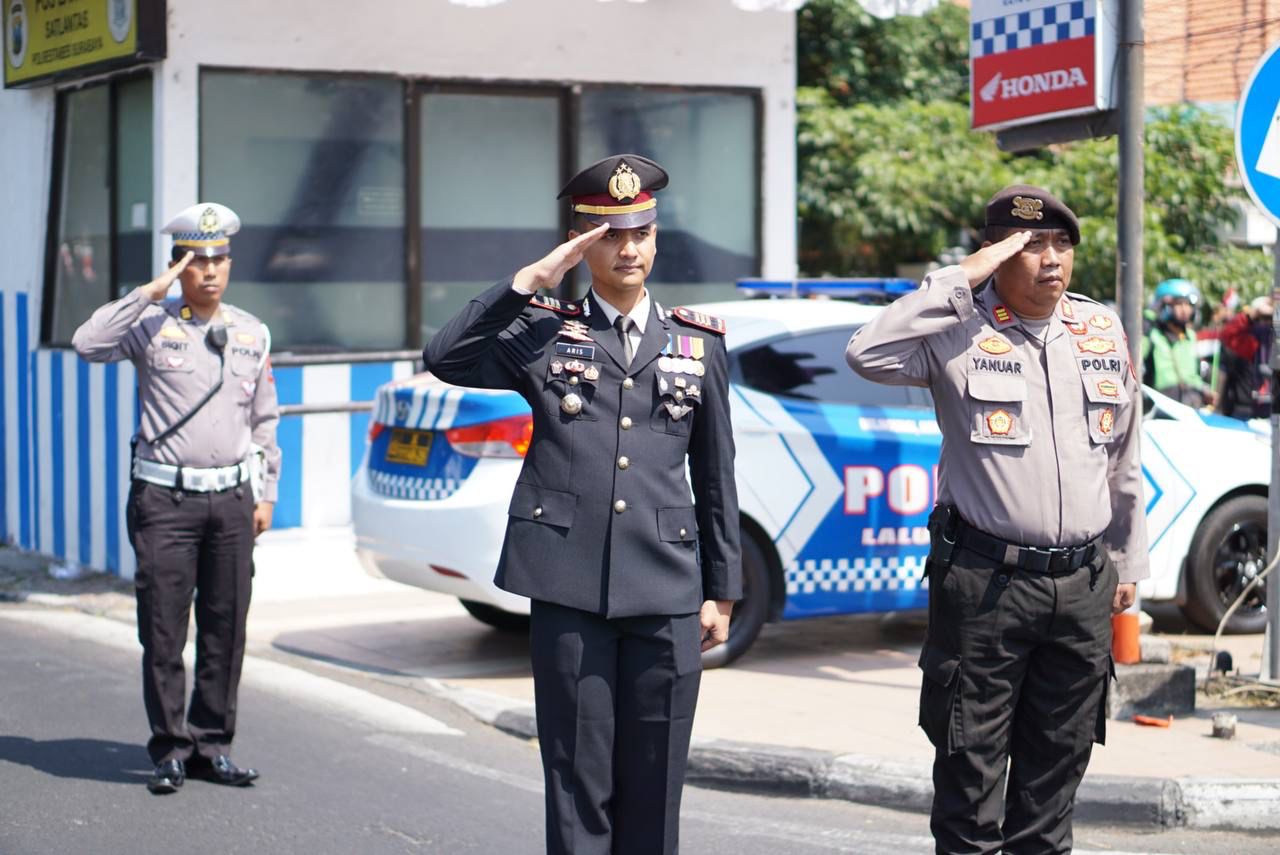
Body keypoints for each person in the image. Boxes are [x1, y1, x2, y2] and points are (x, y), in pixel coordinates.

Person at [425, 154, 741, 855]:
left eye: (641, 234)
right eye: (608, 235)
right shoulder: (542, 331)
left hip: (665, 589)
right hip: (568, 590)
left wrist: (722, 590)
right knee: (575, 783)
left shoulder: (698, 343)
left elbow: (716, 476)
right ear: (581, 243)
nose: (628, 249)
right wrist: (529, 280)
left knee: (655, 788)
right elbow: (445, 355)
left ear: (656, 238)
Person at [846, 185, 1148, 855]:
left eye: (1061, 244)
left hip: (1082, 587)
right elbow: (866, 350)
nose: (1050, 260)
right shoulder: (956, 328)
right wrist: (966, 274)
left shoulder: (1099, 329)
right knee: (971, 784)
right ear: (995, 253)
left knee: (1053, 784)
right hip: (985, 585)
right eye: (1030, 245)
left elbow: (1125, 456)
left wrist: (1129, 563)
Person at [72, 203, 281, 795]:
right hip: (165, 501)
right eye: (197, 261)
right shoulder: (150, 324)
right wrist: (148, 293)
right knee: (164, 629)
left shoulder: (251, 332)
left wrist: (266, 494)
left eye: (219, 260)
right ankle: (169, 747)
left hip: (233, 503)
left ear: (229, 265)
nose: (210, 272)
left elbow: (265, 421)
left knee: (226, 627)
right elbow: (87, 343)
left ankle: (212, 745)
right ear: (178, 267)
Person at [1142, 278, 1214, 407]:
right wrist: (1150, 315)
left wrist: (1203, 390)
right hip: (1160, 402)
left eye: (1188, 305)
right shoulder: (1152, 333)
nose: (1185, 310)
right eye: (1179, 304)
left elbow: (1193, 374)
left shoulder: (1190, 336)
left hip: (1189, 402)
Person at [1218, 295, 1273, 420]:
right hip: (1247, 410)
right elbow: (1227, 335)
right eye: (1262, 319)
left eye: (1270, 319)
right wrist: (1251, 314)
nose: (1266, 324)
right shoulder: (1252, 342)